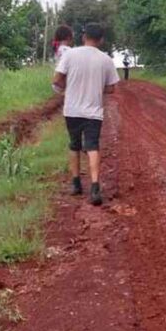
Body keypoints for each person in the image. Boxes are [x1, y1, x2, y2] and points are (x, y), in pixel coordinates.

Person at [52, 23, 119, 206]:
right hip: (93, 112)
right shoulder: (106, 60)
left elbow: (57, 80)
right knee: (92, 146)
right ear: (101, 39)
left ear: (84, 37)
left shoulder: (70, 55)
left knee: (74, 145)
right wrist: (97, 88)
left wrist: (69, 86)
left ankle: (76, 184)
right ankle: (95, 186)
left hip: (72, 109)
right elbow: (112, 88)